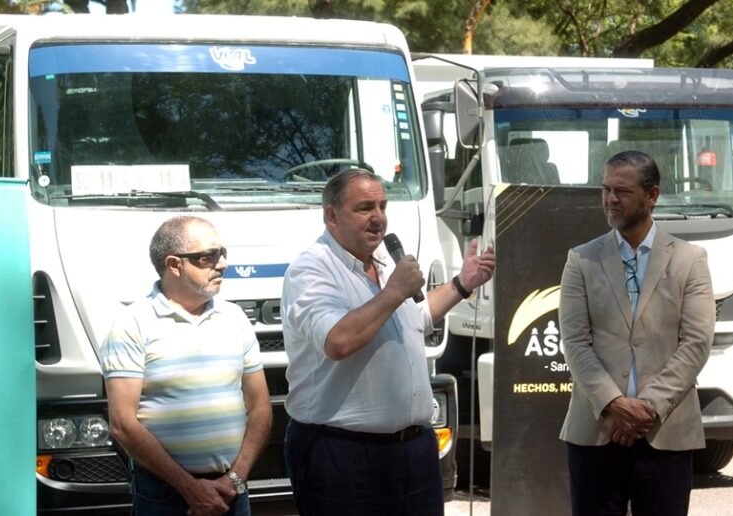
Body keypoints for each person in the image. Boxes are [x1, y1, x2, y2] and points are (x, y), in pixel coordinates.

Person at [281, 168, 496, 515]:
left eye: (382, 206)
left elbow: (416, 319)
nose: (378, 218)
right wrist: (395, 291)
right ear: (332, 215)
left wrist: (462, 284)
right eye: (365, 207)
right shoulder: (311, 271)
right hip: (344, 454)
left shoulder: (383, 263)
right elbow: (338, 341)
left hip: (414, 451)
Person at [559, 151, 715, 516]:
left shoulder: (689, 260)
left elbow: (695, 344)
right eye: (605, 189)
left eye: (622, 191)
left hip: (665, 432)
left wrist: (646, 408)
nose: (611, 199)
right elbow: (576, 343)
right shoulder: (581, 260)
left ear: (652, 195)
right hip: (596, 432)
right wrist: (614, 405)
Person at [101, 215, 272, 516]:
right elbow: (122, 424)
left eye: (223, 253)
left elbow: (260, 407)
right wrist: (190, 489)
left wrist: (233, 479)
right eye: (208, 257)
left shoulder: (235, 318)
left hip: (231, 493)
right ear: (173, 265)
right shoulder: (132, 324)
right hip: (164, 494)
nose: (222, 264)